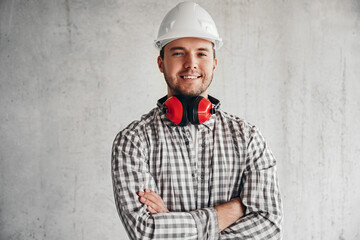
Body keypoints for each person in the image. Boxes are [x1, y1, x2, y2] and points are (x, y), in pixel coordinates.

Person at [112, 2, 282, 239]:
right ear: (161, 63)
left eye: (201, 53)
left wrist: (172, 223)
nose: (191, 63)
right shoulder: (133, 141)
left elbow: (269, 224)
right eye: (178, 52)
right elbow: (147, 232)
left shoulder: (248, 138)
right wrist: (236, 209)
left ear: (214, 63)